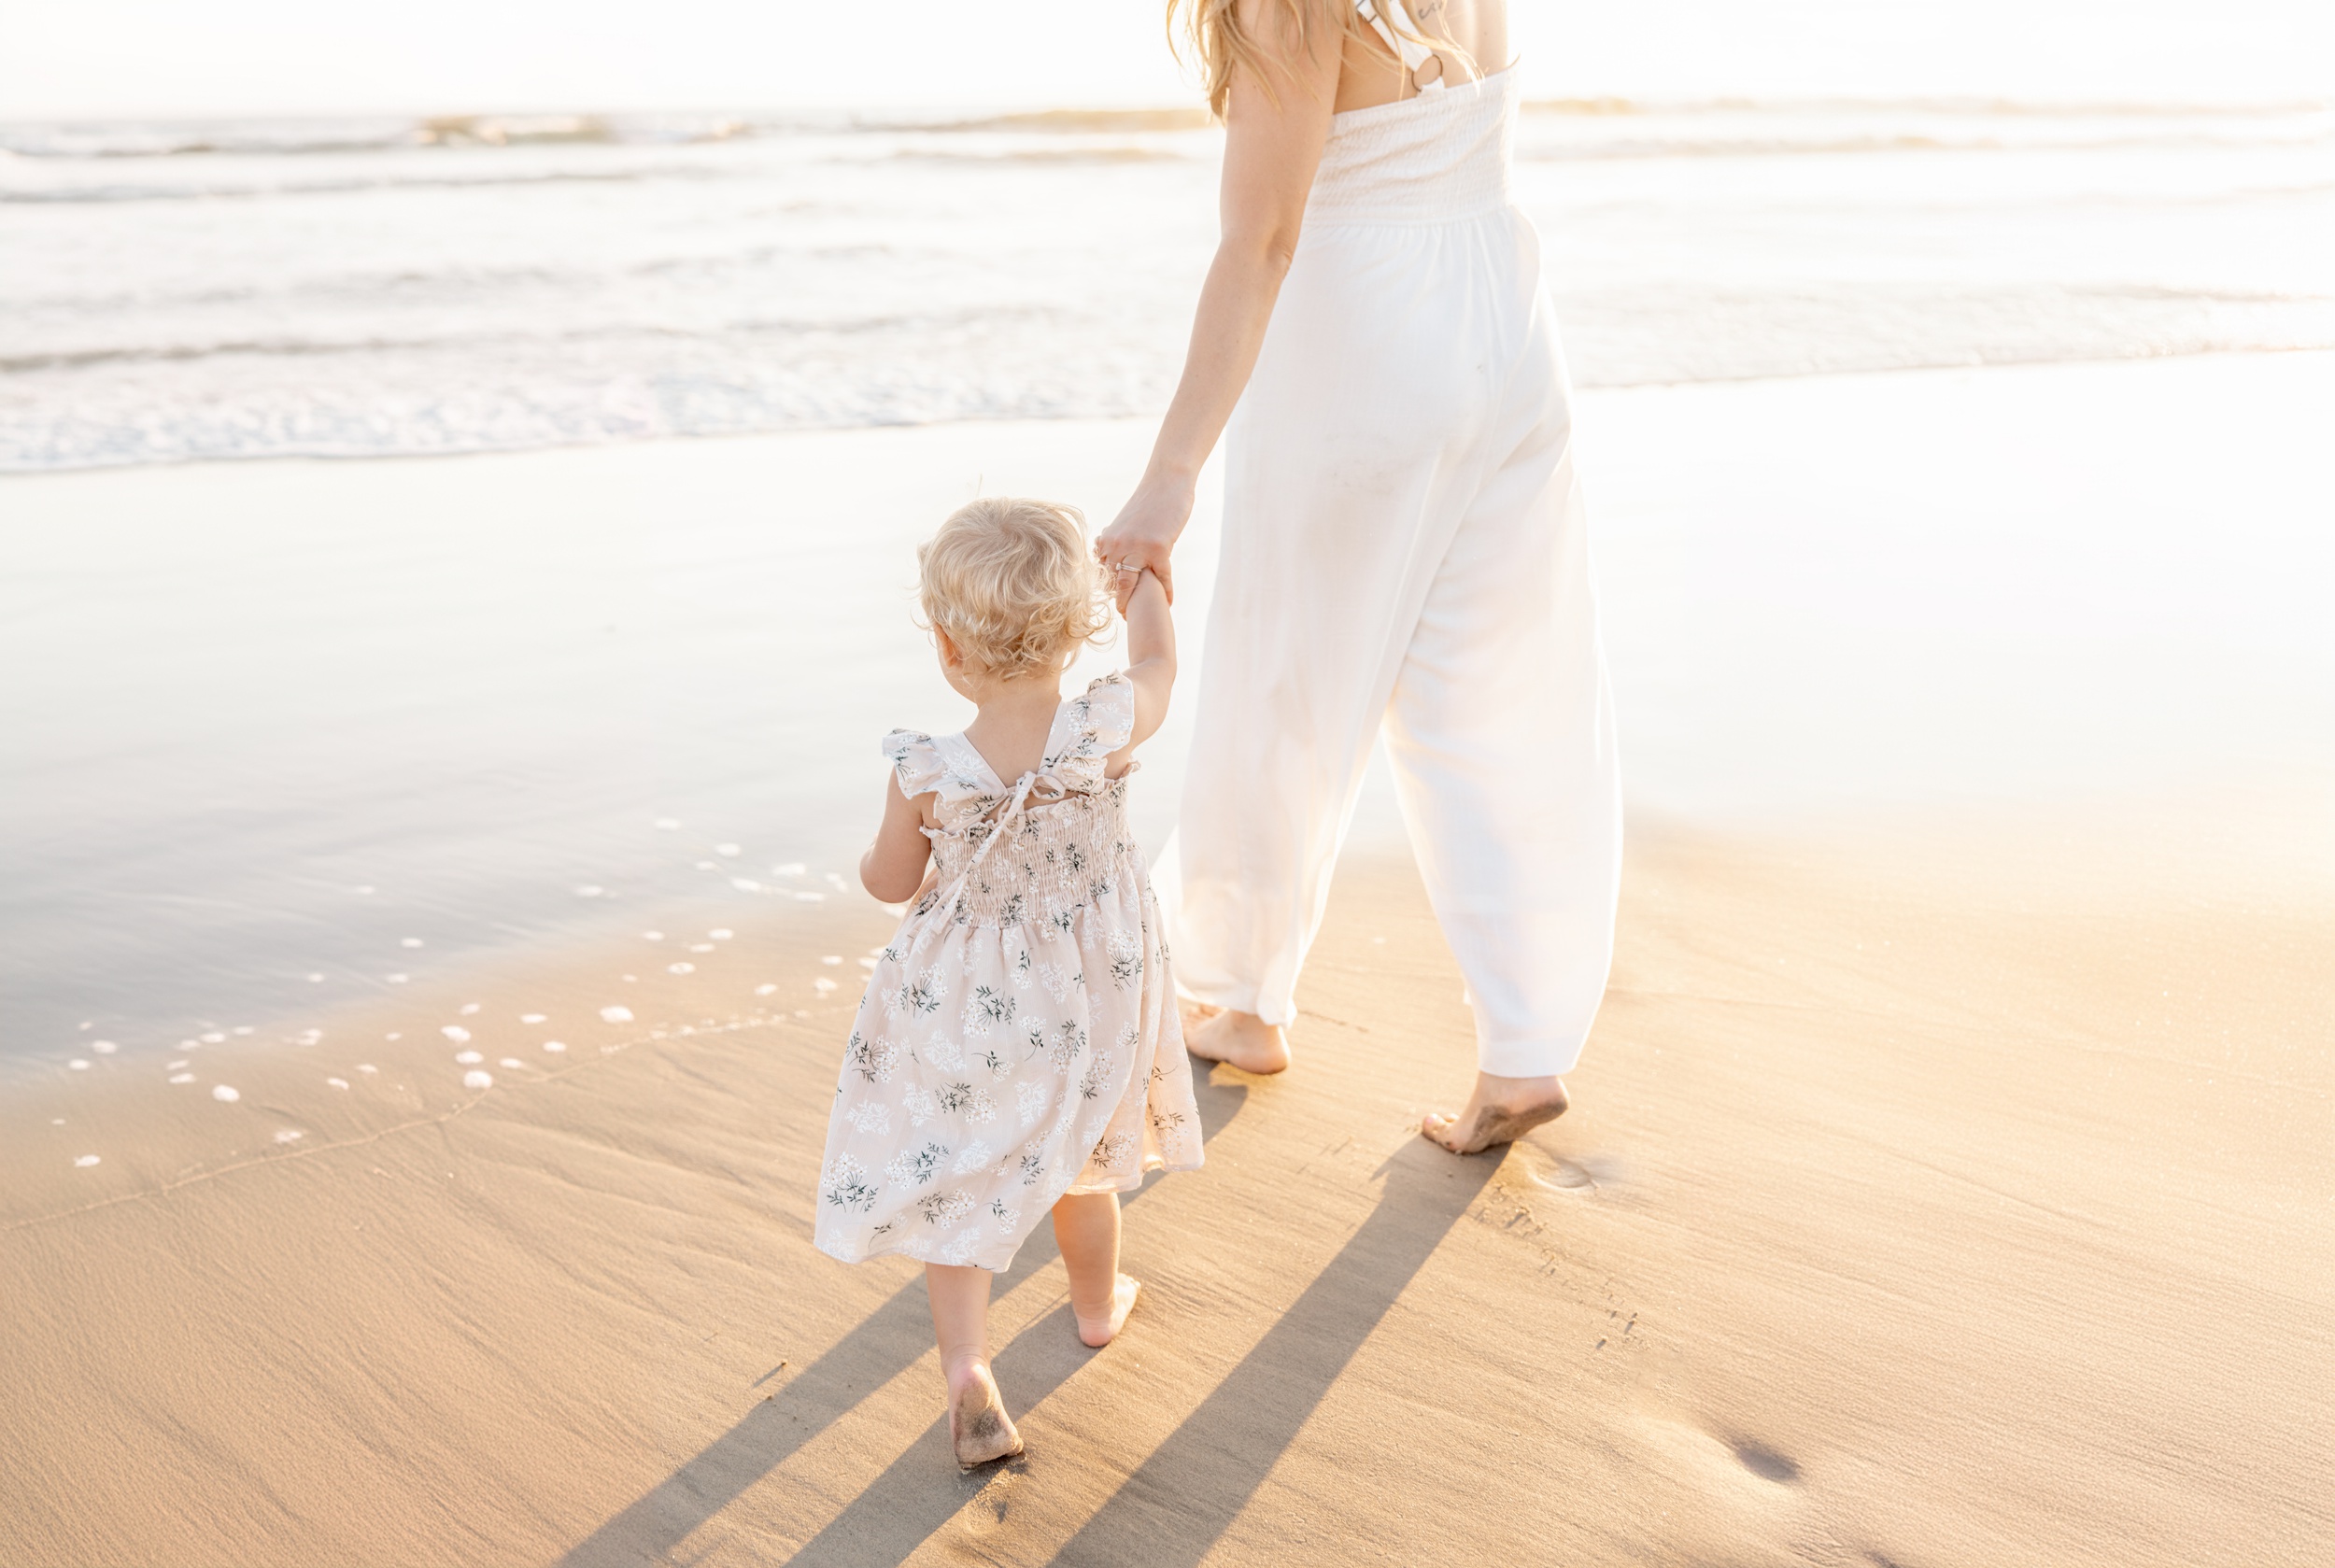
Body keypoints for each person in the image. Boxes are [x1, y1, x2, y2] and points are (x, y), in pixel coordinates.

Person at [1095, 0, 1621, 1154]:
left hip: (1365, 333)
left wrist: (1168, 474)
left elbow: (1261, 244)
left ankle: (1239, 997)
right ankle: (1523, 1049)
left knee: (1287, 682)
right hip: (1506, 322)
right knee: (1496, 695)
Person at [814, 497, 1201, 1470]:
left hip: (967, 995)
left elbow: (892, 881)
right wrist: (1146, 584)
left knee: (966, 1166)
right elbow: (1160, 667)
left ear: (946, 645)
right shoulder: (1104, 725)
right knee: (1078, 1149)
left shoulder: (929, 770)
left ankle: (968, 1368)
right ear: (1079, 628)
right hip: (1093, 984)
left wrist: (869, 864)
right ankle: (1095, 1306)